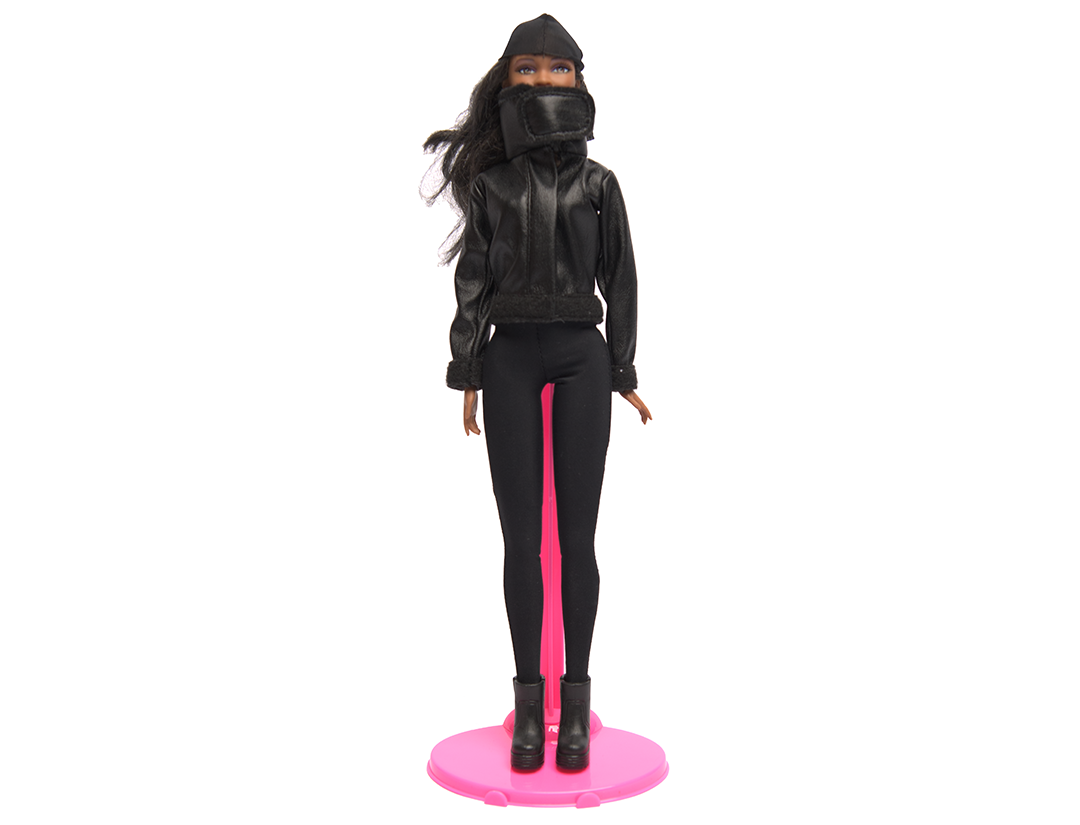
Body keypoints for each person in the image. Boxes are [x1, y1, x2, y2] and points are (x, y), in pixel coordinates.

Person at [423, 13, 650, 772]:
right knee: (521, 539)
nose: (543, 80)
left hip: (583, 356)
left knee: (577, 538)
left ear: (580, 83)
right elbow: (473, 284)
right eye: (526, 69)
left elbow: (621, 280)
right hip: (510, 359)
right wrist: (466, 369)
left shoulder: (599, 183)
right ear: (505, 82)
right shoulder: (491, 186)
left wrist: (622, 370)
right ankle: (530, 704)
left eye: (559, 70)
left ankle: (574, 701)